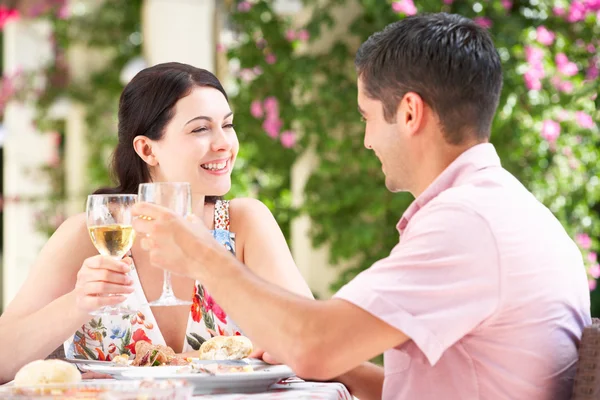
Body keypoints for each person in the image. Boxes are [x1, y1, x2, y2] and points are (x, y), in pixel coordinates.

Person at [129, 13, 591, 400]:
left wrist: (201, 255)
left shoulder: (467, 224)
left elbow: (315, 345)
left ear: (410, 113)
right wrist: (338, 367)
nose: (368, 141)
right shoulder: (502, 210)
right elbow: (418, 385)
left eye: (368, 118)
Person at [0, 62, 313, 383]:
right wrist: (78, 303)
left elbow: (314, 342)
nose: (224, 143)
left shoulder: (244, 224)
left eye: (228, 125)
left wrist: (280, 344)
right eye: (201, 129)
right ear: (147, 149)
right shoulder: (88, 235)